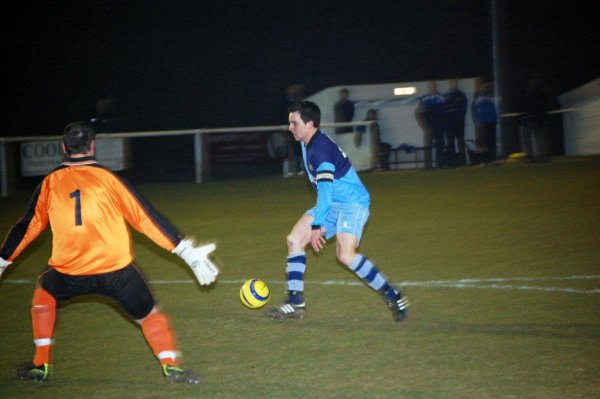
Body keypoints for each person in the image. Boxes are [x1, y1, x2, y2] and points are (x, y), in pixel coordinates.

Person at [0, 122, 219, 384]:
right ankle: (171, 366)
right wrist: (185, 250)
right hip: (117, 273)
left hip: (68, 273)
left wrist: (3, 260)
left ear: (63, 147)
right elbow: (145, 218)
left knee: (44, 294)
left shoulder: (49, 183)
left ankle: (40, 365)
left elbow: (28, 226)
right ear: (92, 146)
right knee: (150, 315)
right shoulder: (110, 180)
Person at [265, 101, 409, 322]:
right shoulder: (307, 142)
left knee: (345, 255)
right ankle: (295, 303)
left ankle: (393, 295)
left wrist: (316, 226)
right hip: (332, 202)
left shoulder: (320, 150)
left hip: (352, 203)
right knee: (294, 240)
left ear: (310, 124)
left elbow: (325, 194)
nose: (290, 128)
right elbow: (326, 196)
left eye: (294, 123)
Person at [416, 81, 446, 169]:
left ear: (436, 87)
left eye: (434, 86)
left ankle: (439, 164)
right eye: (431, 86)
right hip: (429, 124)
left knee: (440, 144)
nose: (432, 87)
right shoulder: (424, 98)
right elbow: (419, 112)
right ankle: (428, 165)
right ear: (428, 87)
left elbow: (444, 110)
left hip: (439, 123)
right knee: (427, 145)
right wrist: (424, 125)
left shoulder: (441, 97)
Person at [518, 76, 547, 161]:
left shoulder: (524, 93)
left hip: (527, 117)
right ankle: (540, 155)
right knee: (538, 137)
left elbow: (520, 105)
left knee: (527, 138)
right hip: (537, 117)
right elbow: (543, 105)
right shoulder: (540, 92)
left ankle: (529, 156)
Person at [471, 82, 498, 164]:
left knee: (491, 141)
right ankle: (485, 160)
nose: (483, 90)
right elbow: (474, 113)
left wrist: (495, 120)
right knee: (484, 142)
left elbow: (493, 111)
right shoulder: (476, 101)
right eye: (481, 88)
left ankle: (491, 158)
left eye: (484, 88)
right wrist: (477, 122)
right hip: (483, 123)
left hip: (491, 122)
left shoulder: (490, 99)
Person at [442, 80, 468, 166]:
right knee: (450, 143)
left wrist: (459, 118)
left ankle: (462, 161)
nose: (454, 85)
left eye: (455, 83)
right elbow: (443, 110)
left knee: (460, 142)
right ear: (450, 84)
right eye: (452, 83)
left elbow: (464, 109)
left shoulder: (461, 95)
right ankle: (452, 161)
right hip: (449, 123)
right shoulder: (445, 96)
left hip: (459, 123)